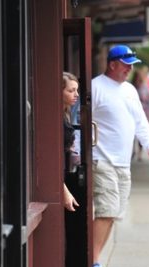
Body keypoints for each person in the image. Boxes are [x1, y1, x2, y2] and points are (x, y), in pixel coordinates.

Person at [92, 44, 149, 267]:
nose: (130, 68)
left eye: (132, 64)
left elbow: (139, 119)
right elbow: (83, 120)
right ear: (112, 64)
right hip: (102, 159)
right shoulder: (96, 87)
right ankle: (92, 261)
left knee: (113, 213)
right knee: (107, 210)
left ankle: (94, 258)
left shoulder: (129, 89)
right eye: (126, 63)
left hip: (123, 162)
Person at [63, 71, 80, 212]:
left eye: (77, 90)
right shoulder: (55, 116)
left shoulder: (67, 112)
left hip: (65, 170)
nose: (77, 94)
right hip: (56, 174)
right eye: (71, 90)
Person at [131, 66, 149, 161]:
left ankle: (139, 153)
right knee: (132, 134)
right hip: (133, 113)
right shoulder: (131, 87)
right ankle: (133, 151)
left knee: (141, 132)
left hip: (145, 112)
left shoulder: (145, 87)